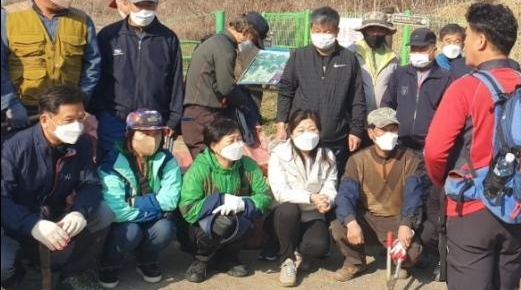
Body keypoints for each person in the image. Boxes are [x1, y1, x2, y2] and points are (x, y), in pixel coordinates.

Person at [424, 2, 521, 289]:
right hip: (517, 207)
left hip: (472, 207)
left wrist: (445, 182)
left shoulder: (465, 87)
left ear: (481, 40)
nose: (464, 43)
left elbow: (435, 151)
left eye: (467, 36)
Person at [1, 84, 113, 290]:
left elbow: (90, 183)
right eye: (69, 120)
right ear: (45, 120)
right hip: (15, 222)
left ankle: (73, 273)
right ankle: (26, 275)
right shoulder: (11, 148)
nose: (77, 126)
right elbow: (2, 198)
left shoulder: (83, 143)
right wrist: (31, 224)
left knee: (103, 213)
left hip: (57, 214)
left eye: (81, 118)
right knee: (4, 267)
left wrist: (79, 211)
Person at [1, 0, 101, 130]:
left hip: (66, 113)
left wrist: (81, 99)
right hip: (23, 110)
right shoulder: (8, 17)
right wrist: (10, 104)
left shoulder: (82, 20)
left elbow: (92, 65)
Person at [91, 0, 184, 162]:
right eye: (139, 4)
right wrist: (100, 111)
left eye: (149, 5)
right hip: (115, 118)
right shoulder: (110, 35)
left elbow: (175, 81)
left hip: (152, 121)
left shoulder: (168, 38)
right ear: (127, 3)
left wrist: (174, 119)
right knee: (113, 166)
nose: (144, 10)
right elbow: (97, 76)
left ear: (157, 4)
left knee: (148, 168)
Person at [331, 108, 424, 282]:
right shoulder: (357, 160)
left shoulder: (409, 158)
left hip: (396, 219)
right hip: (368, 218)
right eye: (383, 129)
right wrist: (351, 221)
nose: (389, 134)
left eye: (393, 129)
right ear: (371, 133)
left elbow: (414, 195)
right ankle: (355, 261)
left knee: (413, 253)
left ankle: (399, 262)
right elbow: (345, 194)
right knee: (338, 227)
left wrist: (407, 223)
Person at [276, 6, 366, 177]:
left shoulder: (348, 59)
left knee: (331, 181)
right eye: (317, 31)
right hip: (302, 134)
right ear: (311, 29)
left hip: (335, 136)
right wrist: (281, 123)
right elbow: (286, 90)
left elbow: (357, 98)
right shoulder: (299, 56)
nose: (322, 36)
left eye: (327, 31)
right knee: (300, 180)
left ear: (337, 31)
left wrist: (356, 130)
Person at [178, 117, 271, 283]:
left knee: (243, 222)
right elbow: (188, 209)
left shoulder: (247, 165)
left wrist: (244, 203)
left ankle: (228, 259)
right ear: (214, 146)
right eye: (231, 140)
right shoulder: (199, 169)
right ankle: (201, 260)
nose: (238, 144)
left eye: (239, 139)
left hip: (237, 218)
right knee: (222, 223)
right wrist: (220, 200)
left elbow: (264, 196)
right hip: (201, 225)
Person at [97, 109, 181, 288]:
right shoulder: (112, 162)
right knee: (131, 231)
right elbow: (117, 210)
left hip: (143, 214)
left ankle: (146, 260)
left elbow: (171, 200)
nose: (152, 139)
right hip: (124, 223)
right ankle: (109, 263)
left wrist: (137, 202)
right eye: (145, 133)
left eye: (157, 133)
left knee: (165, 228)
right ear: (130, 135)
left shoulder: (167, 160)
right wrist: (156, 210)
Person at [182, 12, 269, 157]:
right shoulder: (225, 48)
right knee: (211, 166)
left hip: (195, 116)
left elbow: (215, 83)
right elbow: (226, 87)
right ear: (246, 32)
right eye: (253, 39)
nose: (250, 43)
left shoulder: (215, 42)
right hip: (204, 116)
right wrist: (245, 103)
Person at [268, 109, 337, 287]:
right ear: (291, 132)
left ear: (320, 131)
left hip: (312, 212)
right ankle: (287, 260)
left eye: (312, 129)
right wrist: (311, 197)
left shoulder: (327, 155)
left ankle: (298, 249)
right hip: (284, 212)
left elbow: (330, 184)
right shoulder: (279, 154)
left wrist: (326, 199)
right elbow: (280, 192)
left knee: (318, 247)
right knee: (288, 210)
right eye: (301, 130)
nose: (307, 134)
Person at [381, 27, 451, 151]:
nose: (417, 52)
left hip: (428, 146)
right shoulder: (400, 74)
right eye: (414, 49)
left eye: (422, 49)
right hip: (399, 143)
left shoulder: (445, 79)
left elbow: (448, 116)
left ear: (434, 49)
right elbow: (387, 104)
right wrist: (388, 132)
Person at [348, 11, 399, 113]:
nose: (375, 34)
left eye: (380, 30)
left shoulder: (394, 58)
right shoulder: (351, 53)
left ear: (386, 32)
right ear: (363, 31)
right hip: (355, 114)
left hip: (382, 116)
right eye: (371, 30)